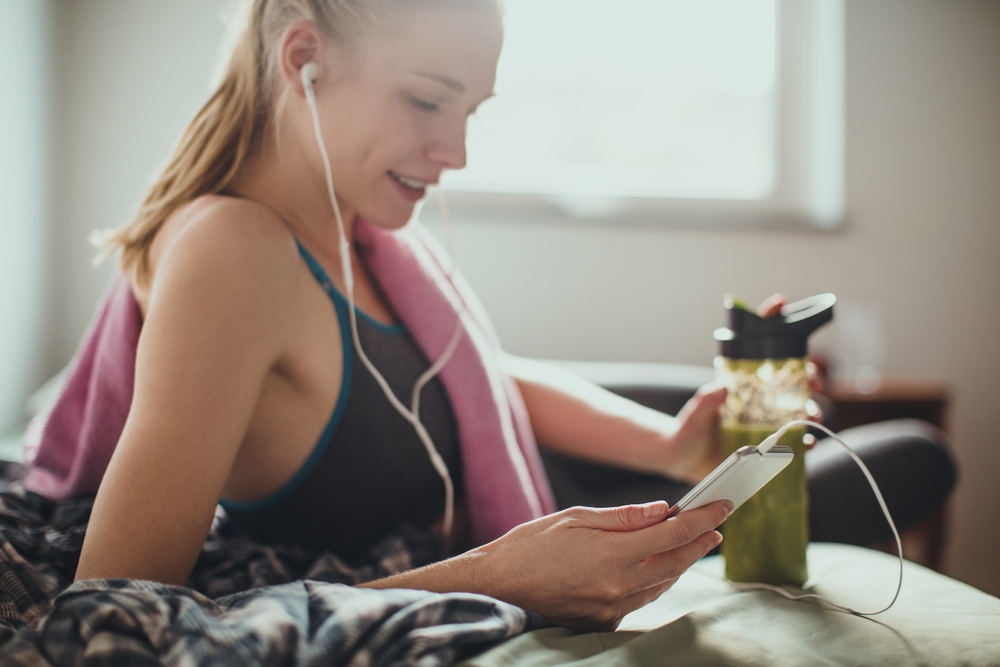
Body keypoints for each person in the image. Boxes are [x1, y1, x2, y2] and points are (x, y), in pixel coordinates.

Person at [71, 0, 734, 633]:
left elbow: (470, 378)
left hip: (544, 474)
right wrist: (497, 578)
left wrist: (667, 445)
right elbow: (114, 613)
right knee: (822, 476)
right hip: (529, 517)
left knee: (777, 428)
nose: (457, 153)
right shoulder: (231, 253)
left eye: (470, 111)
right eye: (426, 100)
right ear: (304, 59)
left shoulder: (353, 226)